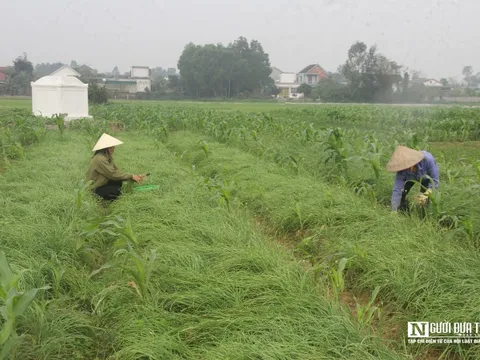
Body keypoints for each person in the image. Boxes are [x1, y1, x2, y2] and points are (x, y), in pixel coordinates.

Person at [86, 133, 146, 201]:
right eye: (111, 147)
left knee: (118, 182)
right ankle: (98, 198)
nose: (113, 149)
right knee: (116, 192)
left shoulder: (107, 157)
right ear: (105, 148)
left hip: (103, 183)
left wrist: (134, 176)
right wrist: (131, 176)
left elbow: (116, 171)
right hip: (96, 188)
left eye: (113, 146)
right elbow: (113, 175)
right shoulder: (100, 159)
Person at [386, 145, 439, 213]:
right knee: (402, 194)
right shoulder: (401, 170)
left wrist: (426, 194)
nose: (403, 167)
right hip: (409, 178)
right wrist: (394, 210)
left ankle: (423, 214)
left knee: (424, 200)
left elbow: (435, 181)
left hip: (426, 178)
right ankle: (403, 211)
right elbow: (397, 189)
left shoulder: (428, 160)